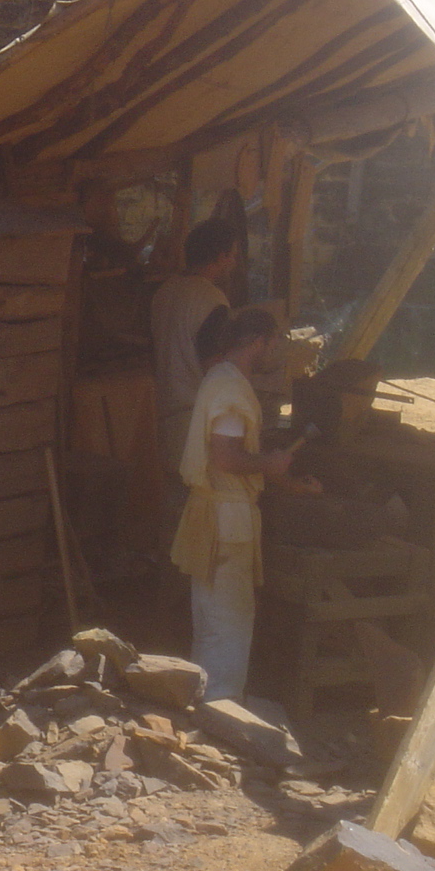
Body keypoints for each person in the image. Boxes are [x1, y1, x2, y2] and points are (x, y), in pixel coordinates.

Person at [170, 307, 321, 701]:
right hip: (226, 521)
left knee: (212, 622)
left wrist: (286, 482)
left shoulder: (222, 379)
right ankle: (220, 709)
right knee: (229, 622)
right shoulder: (231, 390)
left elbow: (234, 458)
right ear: (258, 343)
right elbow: (225, 457)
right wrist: (269, 464)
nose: (276, 350)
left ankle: (204, 704)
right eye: (274, 342)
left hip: (216, 515)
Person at [150, 218, 239, 477]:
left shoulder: (164, 292)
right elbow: (213, 364)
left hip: (164, 412)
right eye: (232, 256)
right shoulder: (212, 299)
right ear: (220, 257)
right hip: (195, 415)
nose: (233, 263)